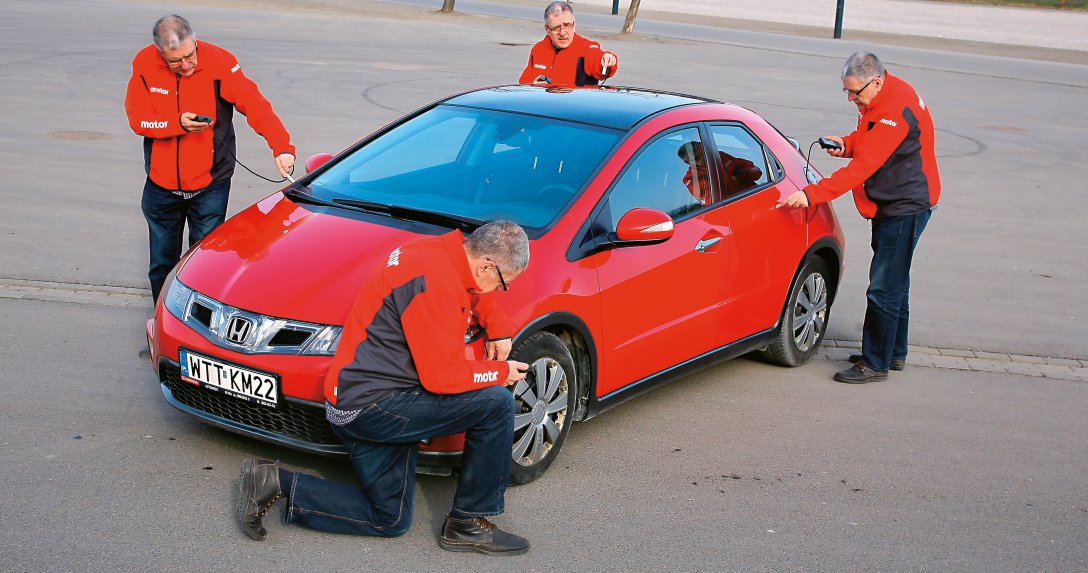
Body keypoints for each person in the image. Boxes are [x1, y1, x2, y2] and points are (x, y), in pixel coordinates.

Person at [238, 221, 533, 556]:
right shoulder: (436, 284)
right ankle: (467, 523)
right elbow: (441, 377)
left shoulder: (441, 250)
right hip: (374, 406)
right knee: (496, 404)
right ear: (487, 266)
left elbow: (474, 288)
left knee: (390, 519)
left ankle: (274, 483)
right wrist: (500, 372)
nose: (498, 291)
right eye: (502, 284)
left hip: (357, 396)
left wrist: (497, 326)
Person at [124, 14, 295, 357]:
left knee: (202, 267)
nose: (186, 65)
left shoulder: (220, 63)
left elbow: (256, 106)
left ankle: (202, 343)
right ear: (160, 55)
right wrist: (176, 124)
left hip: (210, 186)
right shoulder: (144, 64)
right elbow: (137, 118)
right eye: (176, 61)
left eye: (190, 56)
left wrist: (282, 146)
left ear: (195, 41)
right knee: (162, 264)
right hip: (161, 187)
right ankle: (163, 332)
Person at [778, 52, 941, 384]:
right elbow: (871, 141)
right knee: (896, 282)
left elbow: (861, 169)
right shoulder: (884, 97)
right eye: (847, 92)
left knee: (882, 288)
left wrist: (811, 194)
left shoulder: (894, 111)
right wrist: (847, 144)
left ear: (876, 81)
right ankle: (894, 352)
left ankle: (875, 363)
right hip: (901, 201)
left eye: (855, 92)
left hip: (904, 206)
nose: (852, 99)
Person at [518, 1, 618, 87]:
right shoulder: (538, 49)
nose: (562, 32)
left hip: (575, 107)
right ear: (547, 29)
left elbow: (599, 59)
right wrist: (533, 86)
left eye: (567, 25)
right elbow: (523, 84)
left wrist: (608, 59)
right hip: (543, 106)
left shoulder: (587, 48)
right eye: (556, 27)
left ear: (574, 25)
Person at [677, 141, 763, 203]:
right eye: (697, 158)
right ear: (688, 162)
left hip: (756, 198)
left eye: (704, 153)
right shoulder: (691, 179)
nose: (704, 158)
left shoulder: (720, 157)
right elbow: (711, 202)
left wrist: (744, 173)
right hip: (734, 211)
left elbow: (756, 172)